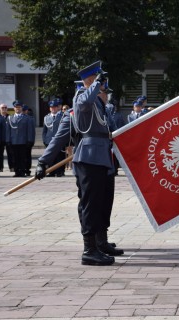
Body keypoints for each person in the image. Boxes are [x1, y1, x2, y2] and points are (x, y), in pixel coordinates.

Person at [37, 61, 122, 266]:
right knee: (90, 205)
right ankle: (90, 249)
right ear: (92, 81)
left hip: (102, 158)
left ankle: (100, 242)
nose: (104, 88)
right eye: (100, 81)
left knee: (102, 203)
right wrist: (43, 162)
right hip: (89, 158)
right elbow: (58, 138)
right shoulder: (81, 101)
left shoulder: (99, 105)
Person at [6, 100, 35, 177]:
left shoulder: (27, 118)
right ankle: (16, 171)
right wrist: (8, 140)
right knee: (15, 157)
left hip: (23, 140)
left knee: (23, 157)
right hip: (13, 140)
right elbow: (8, 130)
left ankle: (22, 171)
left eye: (19, 107)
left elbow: (29, 130)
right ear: (14, 108)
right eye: (16, 107)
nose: (18, 109)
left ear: (22, 108)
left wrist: (30, 140)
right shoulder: (10, 118)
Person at [42, 100, 65, 177]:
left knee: (60, 156)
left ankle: (60, 171)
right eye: (51, 107)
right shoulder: (47, 117)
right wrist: (44, 140)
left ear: (58, 107)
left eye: (54, 107)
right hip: (49, 140)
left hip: (60, 139)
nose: (53, 109)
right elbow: (44, 130)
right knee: (50, 157)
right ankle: (51, 171)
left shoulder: (63, 116)